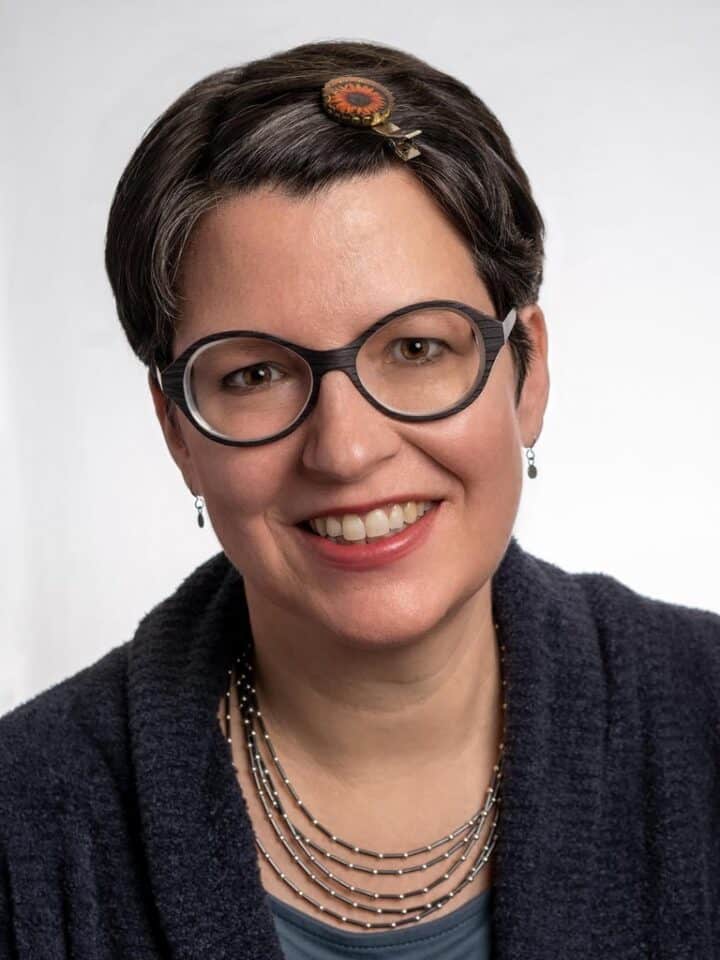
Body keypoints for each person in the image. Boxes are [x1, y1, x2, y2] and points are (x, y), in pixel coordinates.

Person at [1, 38, 718, 960]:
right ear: (178, 429)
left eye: (416, 350)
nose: (344, 450)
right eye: (255, 373)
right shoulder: (25, 819)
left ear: (526, 373)